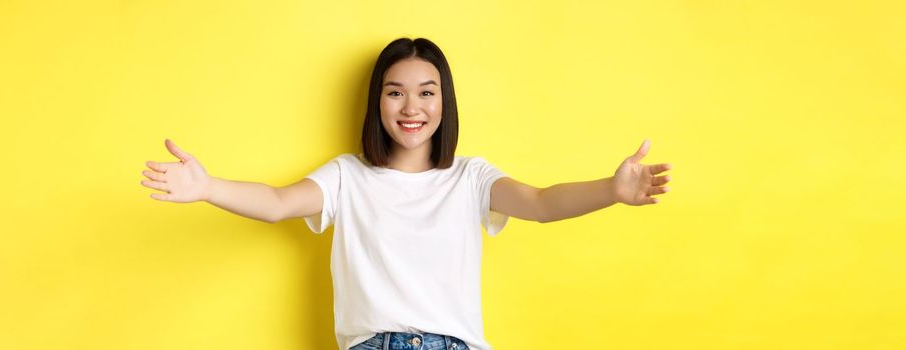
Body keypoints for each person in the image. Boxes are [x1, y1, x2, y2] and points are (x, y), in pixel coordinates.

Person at [140, 37, 672, 350]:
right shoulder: (347, 176)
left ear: (445, 103)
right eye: (395, 92)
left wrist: (612, 189)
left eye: (426, 92)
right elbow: (279, 204)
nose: (411, 107)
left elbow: (539, 204)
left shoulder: (470, 177)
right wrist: (207, 187)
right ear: (378, 103)